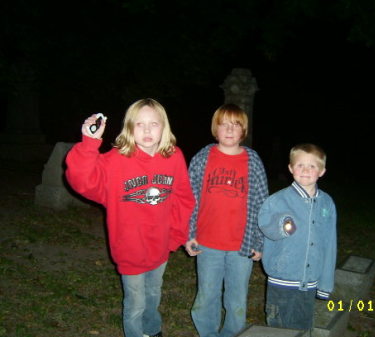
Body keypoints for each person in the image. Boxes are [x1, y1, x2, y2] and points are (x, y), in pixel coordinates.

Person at [65, 98, 195, 337]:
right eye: (139, 124)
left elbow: (183, 199)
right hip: (129, 247)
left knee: (153, 293)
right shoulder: (116, 160)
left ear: (164, 128)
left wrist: (176, 234)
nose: (147, 130)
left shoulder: (174, 156)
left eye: (154, 124)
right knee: (135, 303)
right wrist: (89, 142)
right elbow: (83, 180)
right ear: (129, 128)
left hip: (160, 246)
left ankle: (152, 329)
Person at [185, 103, 269, 337]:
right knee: (207, 295)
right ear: (215, 128)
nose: (230, 130)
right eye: (224, 124)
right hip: (207, 244)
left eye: (236, 125)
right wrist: (189, 234)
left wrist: (259, 242)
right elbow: (189, 198)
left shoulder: (252, 161)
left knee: (237, 298)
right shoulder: (203, 157)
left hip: (240, 247)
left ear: (243, 131)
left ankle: (231, 333)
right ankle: (208, 333)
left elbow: (263, 203)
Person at [258, 143, 337, 335]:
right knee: (280, 330)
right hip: (282, 282)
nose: (306, 170)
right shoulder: (278, 200)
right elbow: (265, 224)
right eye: (300, 165)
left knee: (303, 328)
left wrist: (325, 283)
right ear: (291, 168)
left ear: (322, 171)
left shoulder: (327, 203)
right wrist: (283, 225)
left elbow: (330, 244)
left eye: (312, 166)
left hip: (309, 284)